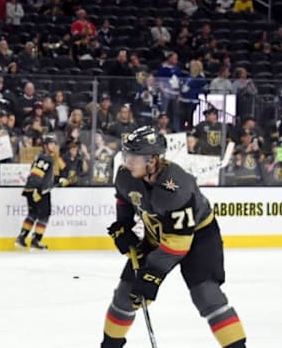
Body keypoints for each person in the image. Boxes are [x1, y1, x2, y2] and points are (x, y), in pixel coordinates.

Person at [101, 126, 246, 348]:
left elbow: (178, 244)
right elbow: (124, 196)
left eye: (134, 157)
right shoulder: (126, 175)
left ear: (153, 160)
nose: (127, 161)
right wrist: (123, 224)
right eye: (126, 154)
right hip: (158, 233)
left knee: (206, 295)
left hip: (198, 237)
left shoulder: (177, 187)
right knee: (125, 296)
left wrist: (152, 276)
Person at [15, 133, 60, 250]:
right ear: (45, 145)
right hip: (40, 191)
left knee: (33, 214)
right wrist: (37, 190)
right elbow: (36, 175)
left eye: (54, 143)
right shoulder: (46, 158)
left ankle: (21, 238)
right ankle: (36, 240)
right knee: (44, 215)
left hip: (32, 189)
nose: (53, 146)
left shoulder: (41, 156)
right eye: (51, 144)